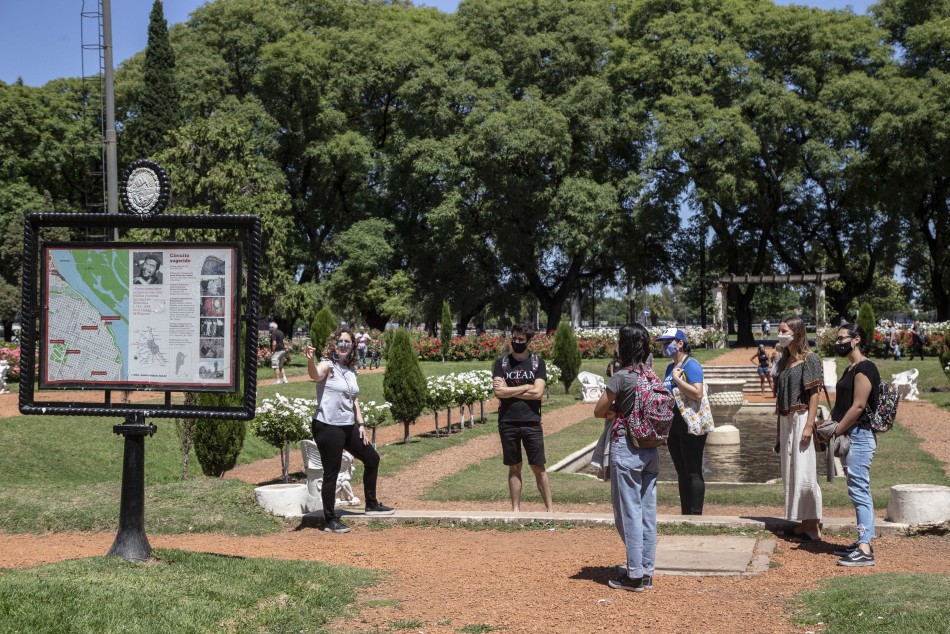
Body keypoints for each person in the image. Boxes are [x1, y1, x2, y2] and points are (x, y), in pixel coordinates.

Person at [304, 328, 394, 533]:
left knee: (372, 459)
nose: (344, 345)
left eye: (348, 342)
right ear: (334, 345)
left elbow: (354, 399)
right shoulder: (327, 365)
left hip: (347, 426)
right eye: (340, 342)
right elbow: (315, 375)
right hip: (327, 426)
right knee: (332, 472)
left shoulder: (351, 370)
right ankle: (329, 520)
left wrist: (361, 424)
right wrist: (310, 360)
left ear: (352, 346)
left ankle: (371, 504)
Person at [593, 323, 659, 591]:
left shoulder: (621, 377)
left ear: (625, 346)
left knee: (629, 513)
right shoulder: (651, 375)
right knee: (647, 513)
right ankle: (646, 571)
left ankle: (633, 576)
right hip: (651, 448)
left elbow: (599, 410)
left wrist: (615, 411)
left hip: (626, 447)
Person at [818, 322, 880, 566]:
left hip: (860, 436)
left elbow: (858, 406)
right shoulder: (851, 368)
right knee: (856, 489)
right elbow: (843, 405)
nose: (838, 342)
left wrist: (835, 430)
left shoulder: (865, 368)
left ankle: (865, 548)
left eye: (842, 338)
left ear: (856, 340)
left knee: (859, 489)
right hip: (851, 435)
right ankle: (863, 540)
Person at [492, 321, 552, 512]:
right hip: (507, 422)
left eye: (521, 339)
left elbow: (538, 393)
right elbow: (498, 393)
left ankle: (550, 510)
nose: (517, 341)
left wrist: (510, 390)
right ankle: (516, 510)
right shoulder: (501, 363)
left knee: (538, 467)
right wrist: (526, 386)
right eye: (514, 338)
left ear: (528, 340)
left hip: (531, 421)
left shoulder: (537, 363)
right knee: (514, 466)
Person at [774, 317, 823, 541]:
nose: (780, 334)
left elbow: (814, 394)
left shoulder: (809, 359)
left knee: (805, 470)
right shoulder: (785, 360)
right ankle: (805, 523)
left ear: (796, 332)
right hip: (787, 419)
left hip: (802, 416)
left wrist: (809, 425)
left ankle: (812, 525)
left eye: (784, 330)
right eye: (779, 330)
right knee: (793, 469)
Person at [657, 327, 708, 515]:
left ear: (680, 343)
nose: (664, 346)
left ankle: (696, 514)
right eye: (662, 343)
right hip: (674, 423)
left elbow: (698, 393)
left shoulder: (691, 365)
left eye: (668, 342)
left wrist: (677, 380)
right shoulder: (670, 367)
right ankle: (685, 513)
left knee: (693, 470)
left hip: (690, 423)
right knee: (681, 471)